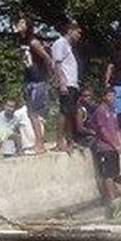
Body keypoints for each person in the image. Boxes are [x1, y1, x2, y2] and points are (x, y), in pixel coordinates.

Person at [16, 15, 51, 153]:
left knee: (35, 113)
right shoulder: (21, 40)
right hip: (29, 79)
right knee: (31, 113)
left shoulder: (33, 41)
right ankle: (38, 142)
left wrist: (49, 75)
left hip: (38, 79)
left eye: (23, 22)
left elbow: (46, 57)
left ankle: (40, 144)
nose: (19, 24)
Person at [52, 21, 83, 151]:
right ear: (70, 30)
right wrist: (62, 83)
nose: (79, 35)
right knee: (64, 112)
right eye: (78, 32)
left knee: (71, 113)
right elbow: (57, 64)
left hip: (73, 83)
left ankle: (70, 140)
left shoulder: (68, 47)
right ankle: (60, 141)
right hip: (66, 83)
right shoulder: (60, 43)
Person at [91, 87, 121, 205]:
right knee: (107, 174)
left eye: (113, 96)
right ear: (104, 97)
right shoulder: (101, 110)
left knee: (114, 173)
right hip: (104, 146)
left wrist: (120, 143)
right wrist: (114, 144)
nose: (112, 98)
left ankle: (114, 196)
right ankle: (111, 199)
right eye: (109, 96)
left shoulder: (112, 110)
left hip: (113, 146)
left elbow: (116, 129)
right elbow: (102, 131)